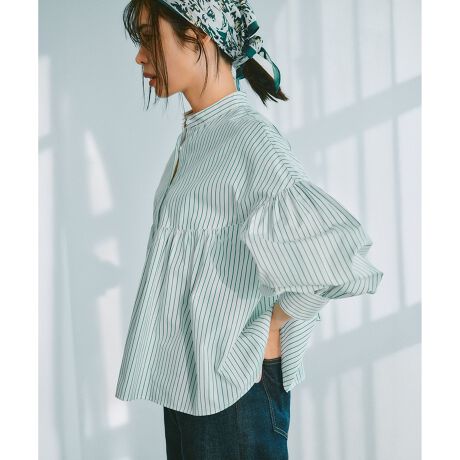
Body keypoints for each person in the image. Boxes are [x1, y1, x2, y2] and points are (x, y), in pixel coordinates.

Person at [115, 1, 384, 459]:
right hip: (189, 390)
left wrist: (271, 328)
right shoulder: (200, 136)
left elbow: (338, 259)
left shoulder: (248, 138)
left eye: (148, 37)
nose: (140, 56)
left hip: (235, 395)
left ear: (198, 34)